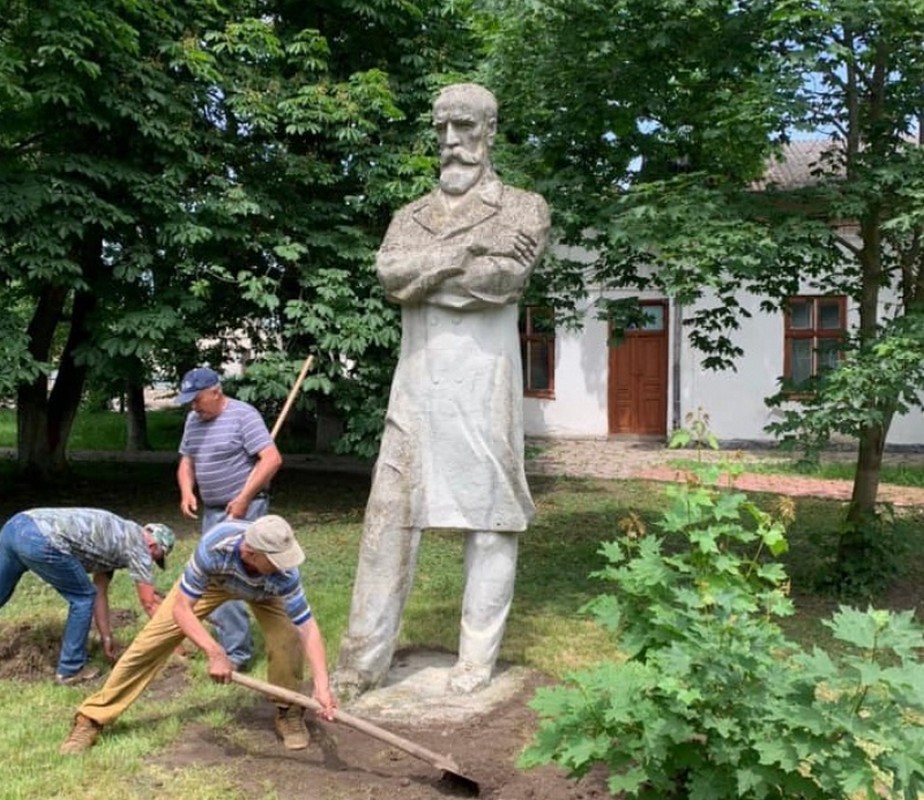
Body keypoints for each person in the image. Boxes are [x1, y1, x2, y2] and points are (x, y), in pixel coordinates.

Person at [333, 83, 550, 698]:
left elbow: (501, 281)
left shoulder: (524, 207)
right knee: (388, 519)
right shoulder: (410, 216)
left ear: (490, 130)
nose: (452, 143)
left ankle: (476, 659)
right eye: (442, 130)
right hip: (418, 391)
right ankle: (362, 663)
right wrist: (461, 255)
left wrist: (433, 271)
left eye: (465, 128)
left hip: (484, 390)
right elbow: (390, 273)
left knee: (491, 523)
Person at [60, 514, 337, 754]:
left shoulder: (283, 573)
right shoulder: (215, 546)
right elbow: (182, 610)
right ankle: (92, 718)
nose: (285, 565)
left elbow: (308, 627)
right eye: (276, 560)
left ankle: (288, 710)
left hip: (266, 593)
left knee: (287, 639)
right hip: (214, 583)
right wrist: (215, 652)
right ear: (250, 552)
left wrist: (322, 685)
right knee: (150, 643)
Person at [175, 366, 283, 671]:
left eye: (197, 400)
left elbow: (272, 459)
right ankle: (232, 648)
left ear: (215, 392)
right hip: (213, 511)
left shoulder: (243, 415)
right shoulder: (194, 421)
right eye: (189, 402)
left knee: (236, 576)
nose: (193, 406)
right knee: (216, 577)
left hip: (247, 509)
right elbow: (187, 461)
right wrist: (187, 491)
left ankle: (238, 654)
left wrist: (244, 499)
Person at [0, 508, 175, 685]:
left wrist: (106, 636)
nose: (152, 561)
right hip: (42, 538)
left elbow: (100, 592)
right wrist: (174, 643)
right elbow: (149, 602)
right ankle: (70, 670)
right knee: (82, 598)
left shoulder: (118, 538)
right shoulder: (139, 546)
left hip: (16, 526)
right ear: (153, 546)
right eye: (157, 557)